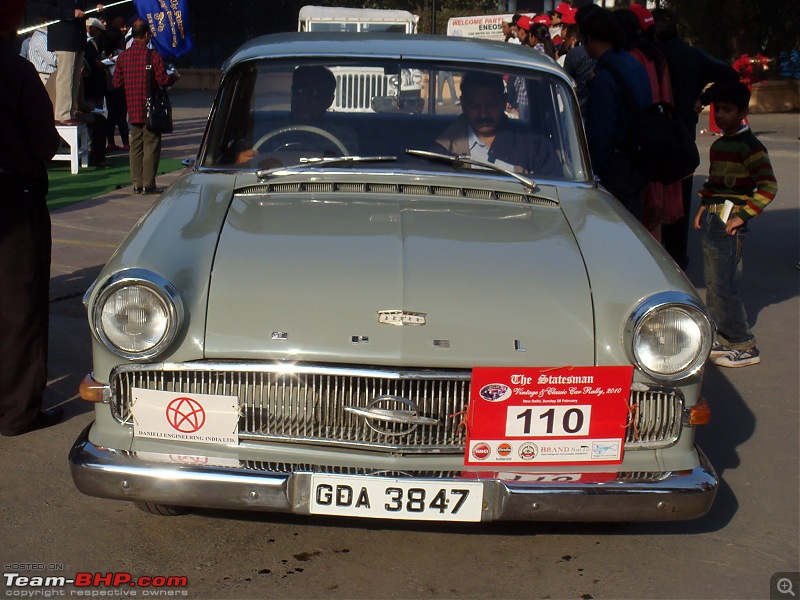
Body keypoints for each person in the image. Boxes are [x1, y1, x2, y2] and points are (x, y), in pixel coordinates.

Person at [0, 0, 63, 436]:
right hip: (11, 198)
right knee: (19, 306)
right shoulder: (16, 71)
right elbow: (45, 144)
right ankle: (17, 411)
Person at [692, 81, 777, 368]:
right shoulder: (719, 145)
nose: (721, 115)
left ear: (742, 112)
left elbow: (768, 187)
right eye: (718, 109)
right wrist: (704, 207)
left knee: (725, 284)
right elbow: (715, 184)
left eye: (728, 110)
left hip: (731, 222)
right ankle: (724, 338)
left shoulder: (751, 147)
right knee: (714, 283)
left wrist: (744, 216)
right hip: (715, 218)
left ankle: (744, 343)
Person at [652, 8, 739, 270]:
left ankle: (656, 262)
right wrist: (703, 99)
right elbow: (730, 75)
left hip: (653, 140)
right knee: (679, 207)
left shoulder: (650, 57)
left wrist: (704, 98)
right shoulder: (691, 56)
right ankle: (678, 262)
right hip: (683, 141)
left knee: (652, 205)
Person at [614, 6, 682, 241]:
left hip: (641, 144)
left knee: (639, 219)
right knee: (652, 221)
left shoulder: (634, 58)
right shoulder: (655, 55)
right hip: (657, 140)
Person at [580, 6, 651, 219]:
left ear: (590, 40)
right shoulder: (632, 64)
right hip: (638, 161)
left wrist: (593, 172)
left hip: (616, 168)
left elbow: (601, 133)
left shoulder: (605, 77)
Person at [433, 71, 561, 178]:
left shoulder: (534, 146)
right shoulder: (443, 149)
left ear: (505, 101)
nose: (483, 114)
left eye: (492, 105)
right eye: (475, 106)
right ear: (463, 104)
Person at [236, 66, 358, 165]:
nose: (304, 100)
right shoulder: (261, 132)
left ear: (329, 100)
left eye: (315, 93)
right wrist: (240, 161)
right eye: (299, 91)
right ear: (292, 92)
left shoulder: (343, 137)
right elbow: (241, 169)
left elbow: (349, 173)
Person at [112, 18, 178, 194]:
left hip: (132, 108)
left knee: (136, 145)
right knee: (152, 144)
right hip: (151, 108)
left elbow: (116, 83)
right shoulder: (153, 56)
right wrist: (174, 77)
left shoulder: (122, 57)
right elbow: (163, 80)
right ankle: (149, 184)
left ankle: (136, 183)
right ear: (147, 35)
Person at [32, 0, 104, 125]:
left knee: (75, 78)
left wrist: (95, 8)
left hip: (78, 37)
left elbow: (82, 8)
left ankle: (70, 112)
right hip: (63, 37)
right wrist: (71, 13)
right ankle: (62, 114)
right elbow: (45, 9)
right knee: (65, 77)